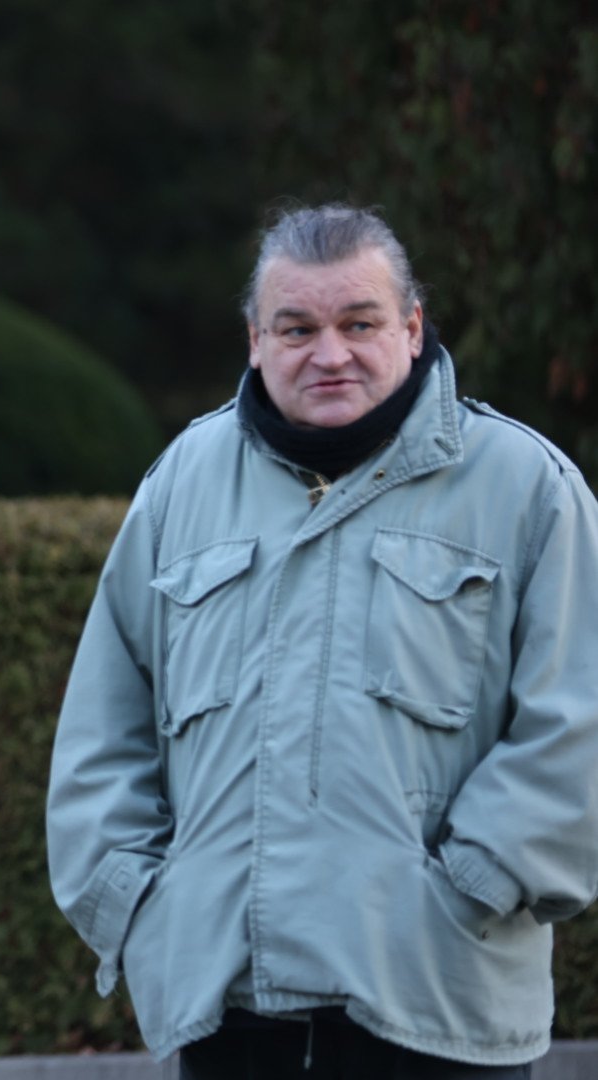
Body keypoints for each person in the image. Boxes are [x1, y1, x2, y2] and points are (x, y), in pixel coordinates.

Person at [45, 203, 598, 1078]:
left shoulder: (528, 489)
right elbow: (101, 735)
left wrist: (469, 893)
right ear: (255, 340)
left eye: (359, 324)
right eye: (297, 328)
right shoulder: (181, 485)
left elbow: (577, 732)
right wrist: (143, 906)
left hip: (439, 1005)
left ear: (411, 327)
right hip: (229, 1016)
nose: (329, 354)